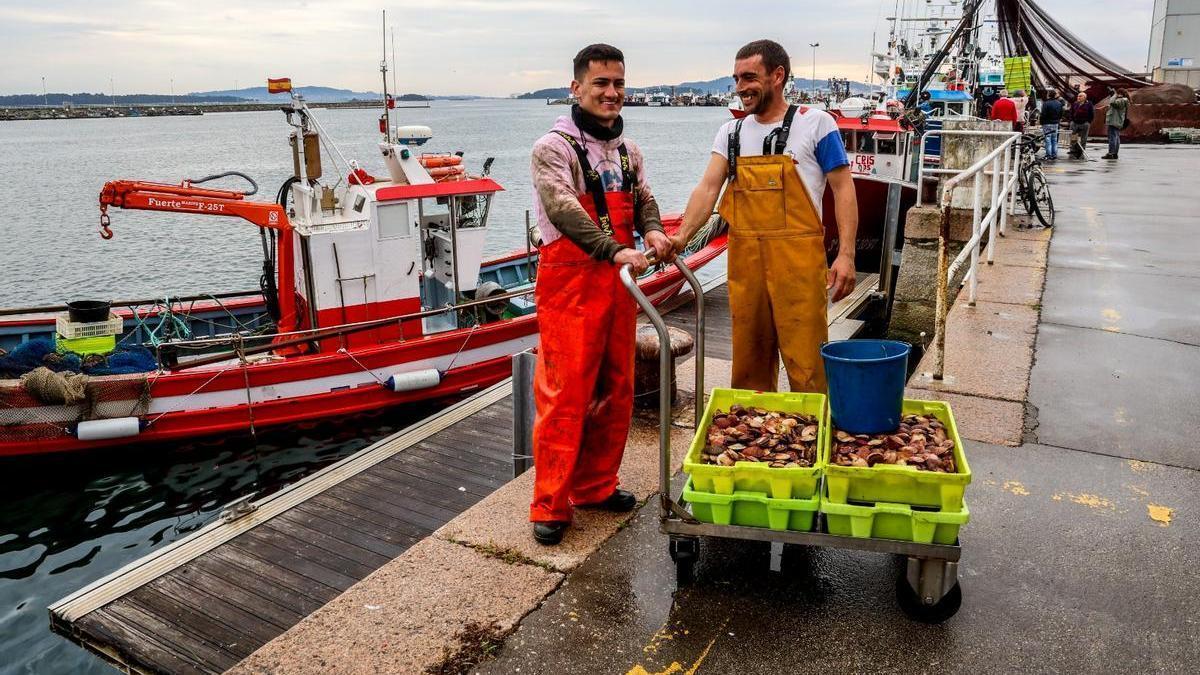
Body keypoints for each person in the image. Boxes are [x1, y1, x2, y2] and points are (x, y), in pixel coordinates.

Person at [527, 43, 674, 545]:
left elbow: (644, 198)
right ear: (576, 88)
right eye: (601, 84)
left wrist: (652, 231)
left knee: (618, 387)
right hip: (570, 283)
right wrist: (614, 250)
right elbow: (563, 209)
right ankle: (549, 502)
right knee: (564, 393)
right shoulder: (553, 148)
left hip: (617, 285)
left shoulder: (629, 151)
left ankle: (595, 486)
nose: (612, 94)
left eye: (618, 85)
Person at [671, 39, 857, 393]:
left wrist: (846, 254)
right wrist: (681, 237)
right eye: (737, 78)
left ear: (777, 76)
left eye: (749, 77)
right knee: (749, 367)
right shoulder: (731, 133)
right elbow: (708, 189)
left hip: (800, 264)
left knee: (808, 366)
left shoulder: (816, 124)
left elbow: (843, 189)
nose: (741, 87)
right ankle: (754, 437)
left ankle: (812, 434)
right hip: (746, 264)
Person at [1103, 88, 1130, 159]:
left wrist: (1114, 95)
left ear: (1120, 93)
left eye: (1118, 93)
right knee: (1116, 137)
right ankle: (1115, 153)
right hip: (1117, 121)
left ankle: (1111, 153)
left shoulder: (1121, 100)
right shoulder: (1123, 101)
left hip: (1114, 121)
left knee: (1112, 138)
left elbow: (1112, 102)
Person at [1039, 89, 1065, 159]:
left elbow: (1043, 114)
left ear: (1048, 95)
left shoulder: (1046, 103)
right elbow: (1061, 113)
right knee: (1054, 139)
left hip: (1047, 123)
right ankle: (1054, 154)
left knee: (1048, 139)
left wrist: (1041, 122)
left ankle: (1048, 154)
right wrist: (1058, 120)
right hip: (1055, 123)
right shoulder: (1059, 103)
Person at [1068, 91, 1095, 158]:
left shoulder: (1089, 104)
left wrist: (1088, 122)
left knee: (1084, 138)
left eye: (1080, 96)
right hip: (1074, 123)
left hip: (1084, 123)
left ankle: (1081, 150)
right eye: (1078, 96)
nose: (1078, 97)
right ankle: (1073, 150)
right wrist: (1071, 120)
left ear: (1085, 97)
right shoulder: (1075, 104)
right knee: (1073, 137)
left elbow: (1092, 114)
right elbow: (1071, 112)